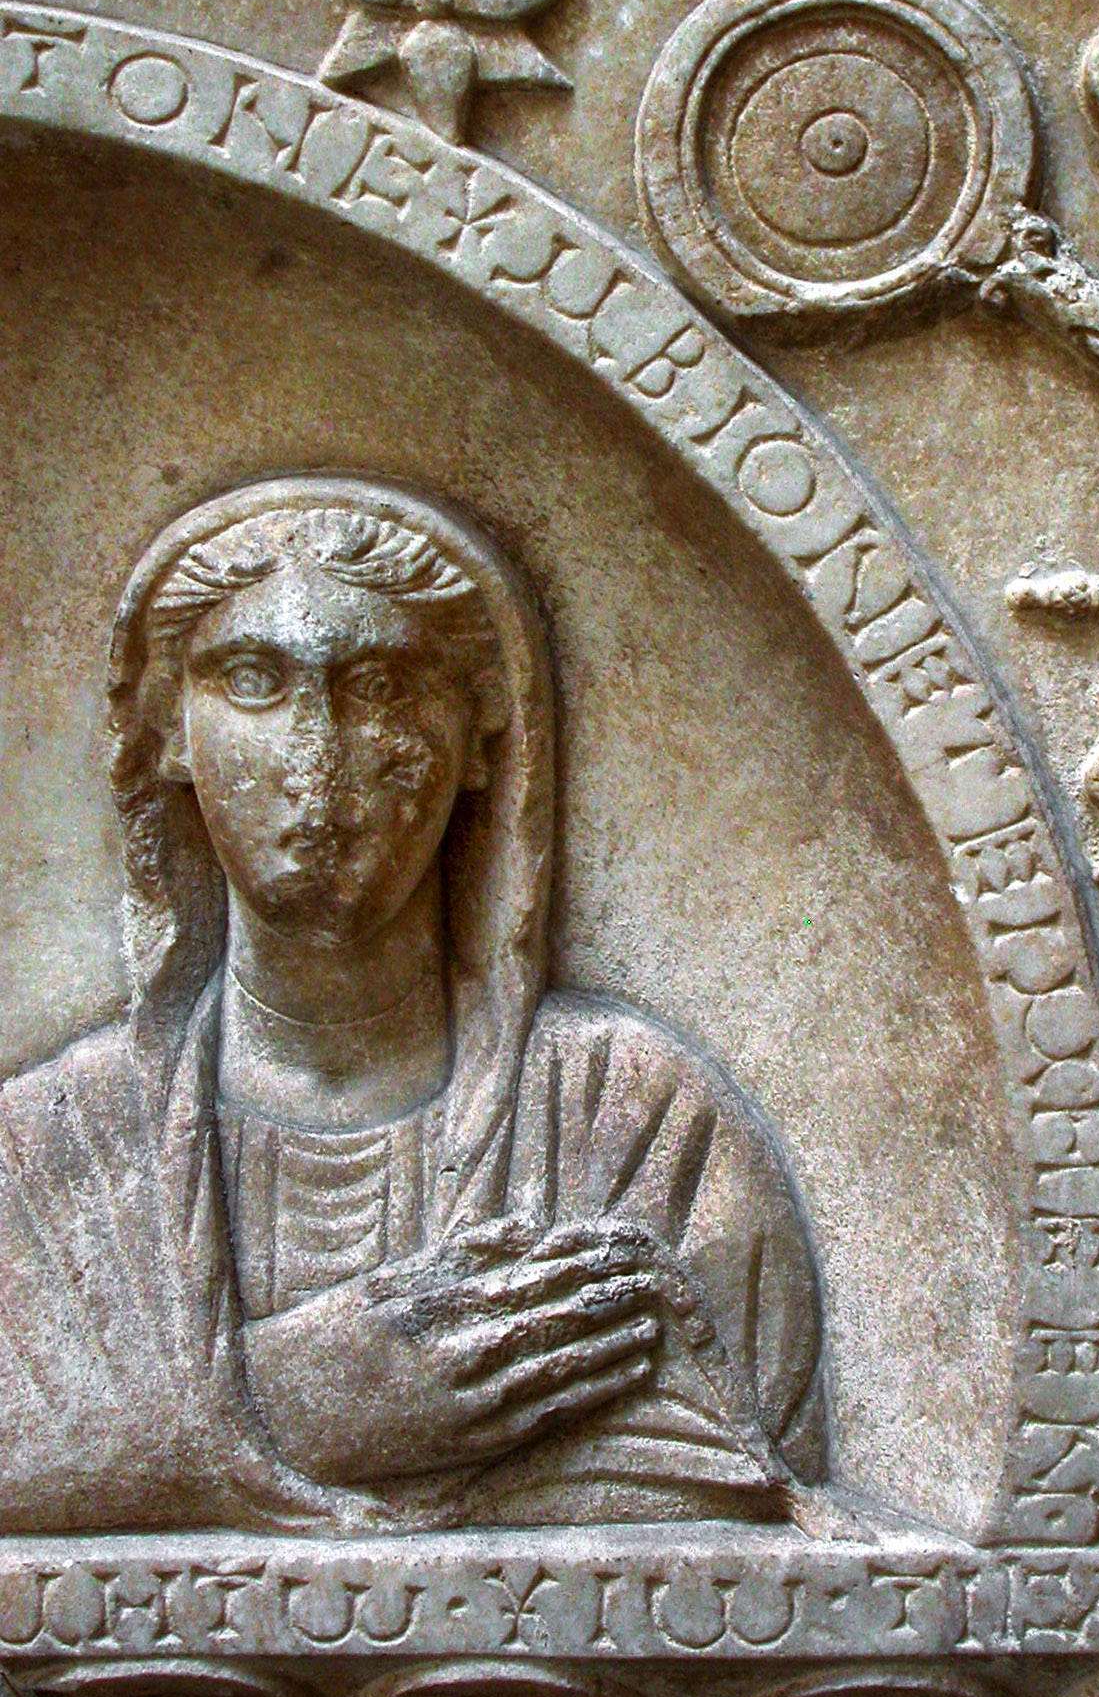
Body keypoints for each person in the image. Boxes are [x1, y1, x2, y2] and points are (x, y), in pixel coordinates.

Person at [0, 474, 825, 1532]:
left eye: (382, 685)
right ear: (168, 734)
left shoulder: (639, 1128)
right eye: (252, 680)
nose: (318, 759)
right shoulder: (47, 1154)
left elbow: (753, 1502)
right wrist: (302, 1400)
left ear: (481, 734)